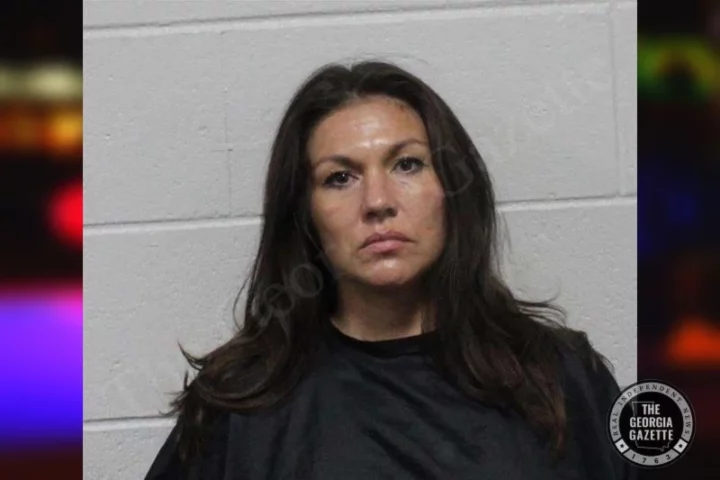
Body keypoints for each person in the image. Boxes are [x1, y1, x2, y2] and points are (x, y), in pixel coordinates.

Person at [144, 60, 634, 479]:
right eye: (340, 178)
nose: (378, 201)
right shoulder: (239, 402)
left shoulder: (559, 376)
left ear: (452, 188)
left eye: (407, 165)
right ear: (305, 214)